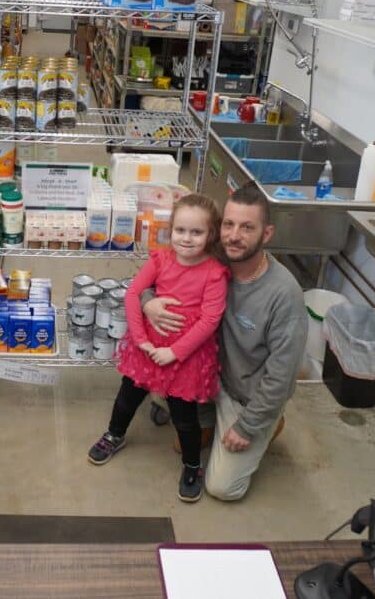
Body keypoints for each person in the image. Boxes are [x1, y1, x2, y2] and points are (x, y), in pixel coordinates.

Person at [143, 182, 307, 501]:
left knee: (222, 489)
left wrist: (249, 425)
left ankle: (268, 423)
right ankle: (208, 419)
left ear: (267, 233)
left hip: (246, 394)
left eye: (248, 227)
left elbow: (282, 373)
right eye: (228, 225)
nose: (234, 235)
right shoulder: (212, 255)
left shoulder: (283, 295)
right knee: (166, 408)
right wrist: (149, 302)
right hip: (207, 373)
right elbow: (151, 278)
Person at [87, 194, 230, 503]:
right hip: (149, 346)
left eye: (197, 232)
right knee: (127, 397)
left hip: (186, 355)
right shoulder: (160, 260)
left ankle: (192, 465)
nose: (187, 239)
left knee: (185, 417)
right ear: (171, 230)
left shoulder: (215, 273)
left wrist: (175, 352)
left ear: (211, 234)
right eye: (181, 230)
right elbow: (133, 295)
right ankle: (115, 434)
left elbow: (209, 321)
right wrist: (141, 341)